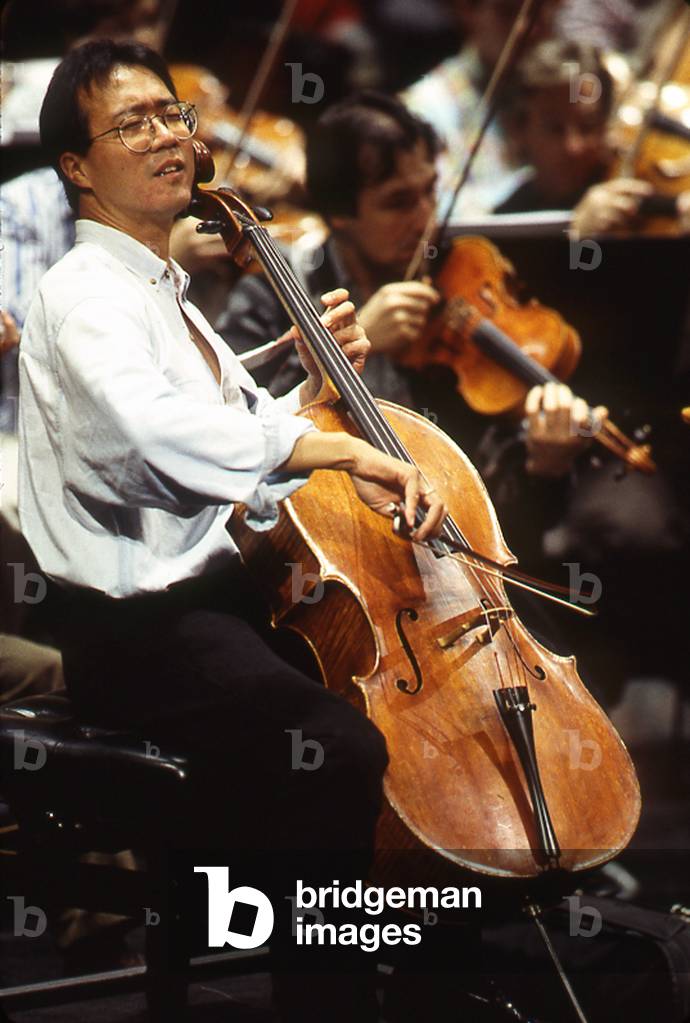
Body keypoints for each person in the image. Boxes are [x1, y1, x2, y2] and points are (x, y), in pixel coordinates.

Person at [17, 38, 446, 1021]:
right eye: (135, 123)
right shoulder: (84, 293)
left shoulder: (163, 294)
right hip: (138, 633)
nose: (169, 135)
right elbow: (153, 432)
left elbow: (239, 433)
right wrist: (337, 450)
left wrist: (308, 388)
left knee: (377, 727)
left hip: (216, 604)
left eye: (173, 114)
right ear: (77, 168)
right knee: (335, 750)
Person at [219, 91, 602, 487]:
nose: (426, 220)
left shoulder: (458, 282)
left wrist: (543, 465)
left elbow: (484, 482)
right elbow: (234, 433)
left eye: (430, 190)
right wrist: (337, 352)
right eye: (399, 202)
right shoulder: (272, 292)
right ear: (339, 213)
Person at [495, 39, 690, 236]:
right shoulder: (504, 220)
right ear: (519, 130)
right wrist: (577, 237)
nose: (574, 146)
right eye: (554, 128)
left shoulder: (640, 188)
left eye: (587, 127)